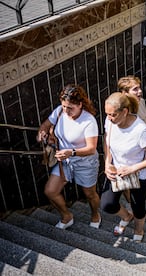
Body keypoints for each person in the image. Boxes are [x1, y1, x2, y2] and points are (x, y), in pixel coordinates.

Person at [37, 84, 100, 229]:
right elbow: (45, 125)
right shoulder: (60, 112)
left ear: (80, 104)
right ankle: (66, 216)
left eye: (70, 107)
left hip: (85, 162)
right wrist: (43, 134)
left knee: (90, 194)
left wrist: (71, 152)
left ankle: (95, 214)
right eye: (64, 106)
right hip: (64, 161)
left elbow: (91, 149)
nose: (66, 110)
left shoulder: (88, 121)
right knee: (50, 191)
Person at [100, 92, 146, 242]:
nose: (109, 118)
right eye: (107, 114)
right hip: (117, 170)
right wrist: (107, 163)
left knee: (138, 205)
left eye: (113, 115)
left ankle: (138, 229)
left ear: (125, 111)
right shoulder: (110, 122)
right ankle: (127, 216)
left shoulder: (141, 131)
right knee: (107, 204)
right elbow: (107, 143)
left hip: (139, 175)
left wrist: (133, 168)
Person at [117, 75, 146, 218]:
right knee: (125, 180)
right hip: (126, 153)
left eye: (139, 88)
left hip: (144, 154)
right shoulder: (118, 108)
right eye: (135, 89)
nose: (140, 91)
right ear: (124, 93)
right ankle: (132, 204)